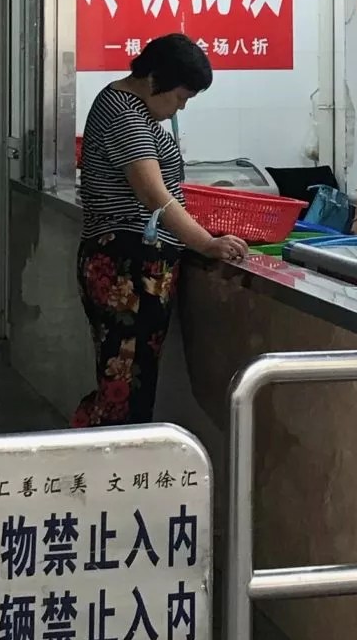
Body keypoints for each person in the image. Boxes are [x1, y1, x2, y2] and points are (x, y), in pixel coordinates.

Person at [73, 33, 248, 427]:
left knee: (125, 381)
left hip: (129, 265)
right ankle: (104, 471)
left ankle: (108, 468)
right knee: (124, 388)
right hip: (127, 269)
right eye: (180, 97)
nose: (178, 109)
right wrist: (206, 243)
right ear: (154, 80)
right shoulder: (125, 114)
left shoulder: (130, 107)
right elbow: (155, 196)